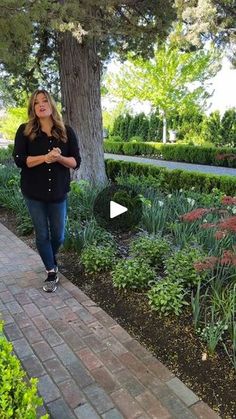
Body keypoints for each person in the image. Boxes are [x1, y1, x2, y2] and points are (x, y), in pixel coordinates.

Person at [13, 89, 81, 292]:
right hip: (33, 193)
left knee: (58, 236)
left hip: (58, 193)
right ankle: (51, 271)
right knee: (42, 234)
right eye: (36, 102)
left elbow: (76, 162)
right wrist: (45, 157)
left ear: (51, 105)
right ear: (33, 108)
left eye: (44, 101)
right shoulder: (24, 131)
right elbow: (20, 160)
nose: (41, 104)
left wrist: (59, 158)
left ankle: (50, 257)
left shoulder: (66, 132)